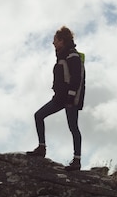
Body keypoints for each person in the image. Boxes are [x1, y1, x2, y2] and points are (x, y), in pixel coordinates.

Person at [27, 26, 85, 171]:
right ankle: (42, 148)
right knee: (39, 115)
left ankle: (76, 161)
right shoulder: (62, 55)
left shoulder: (73, 56)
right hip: (60, 97)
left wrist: (71, 96)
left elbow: (77, 78)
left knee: (73, 127)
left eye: (55, 40)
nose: (53, 43)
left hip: (70, 98)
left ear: (62, 41)